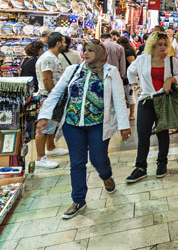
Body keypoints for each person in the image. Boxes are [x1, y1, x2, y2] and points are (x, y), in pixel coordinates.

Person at [36, 40, 131, 219]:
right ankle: (78, 199)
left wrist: (124, 125)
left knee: (98, 158)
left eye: (91, 51)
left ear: (100, 53)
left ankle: (106, 176)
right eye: (84, 50)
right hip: (73, 124)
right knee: (77, 163)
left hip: (98, 125)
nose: (86, 53)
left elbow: (119, 98)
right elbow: (57, 92)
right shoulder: (74, 70)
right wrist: (44, 115)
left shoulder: (110, 72)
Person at [126, 32, 178, 183]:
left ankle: (162, 163)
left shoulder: (171, 60)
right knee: (143, 134)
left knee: (162, 132)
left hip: (163, 100)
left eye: (166, 44)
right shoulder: (142, 60)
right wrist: (135, 87)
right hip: (146, 100)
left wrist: (171, 79)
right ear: (152, 45)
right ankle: (140, 167)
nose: (163, 47)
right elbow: (130, 72)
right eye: (160, 44)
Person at [34, 32, 69, 169]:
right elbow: (47, 79)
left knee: (50, 125)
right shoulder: (48, 58)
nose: (66, 45)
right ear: (58, 43)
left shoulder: (52, 57)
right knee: (43, 127)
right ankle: (40, 157)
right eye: (64, 42)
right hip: (48, 97)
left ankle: (51, 147)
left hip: (52, 96)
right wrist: (53, 97)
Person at [117, 36, 137, 122]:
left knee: (130, 95)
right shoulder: (126, 50)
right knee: (128, 96)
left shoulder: (128, 51)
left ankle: (132, 114)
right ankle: (130, 114)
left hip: (129, 78)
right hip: (125, 77)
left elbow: (132, 64)